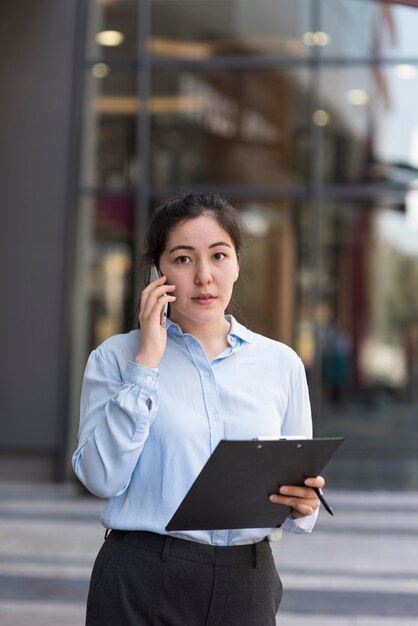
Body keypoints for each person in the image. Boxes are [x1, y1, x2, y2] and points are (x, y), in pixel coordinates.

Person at [72, 192, 325, 626]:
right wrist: (146, 363)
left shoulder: (280, 364)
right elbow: (99, 478)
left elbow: (297, 481)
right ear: (158, 271)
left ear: (237, 264)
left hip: (245, 581)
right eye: (184, 259)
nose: (204, 276)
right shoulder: (115, 358)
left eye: (219, 255)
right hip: (141, 577)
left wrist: (305, 503)